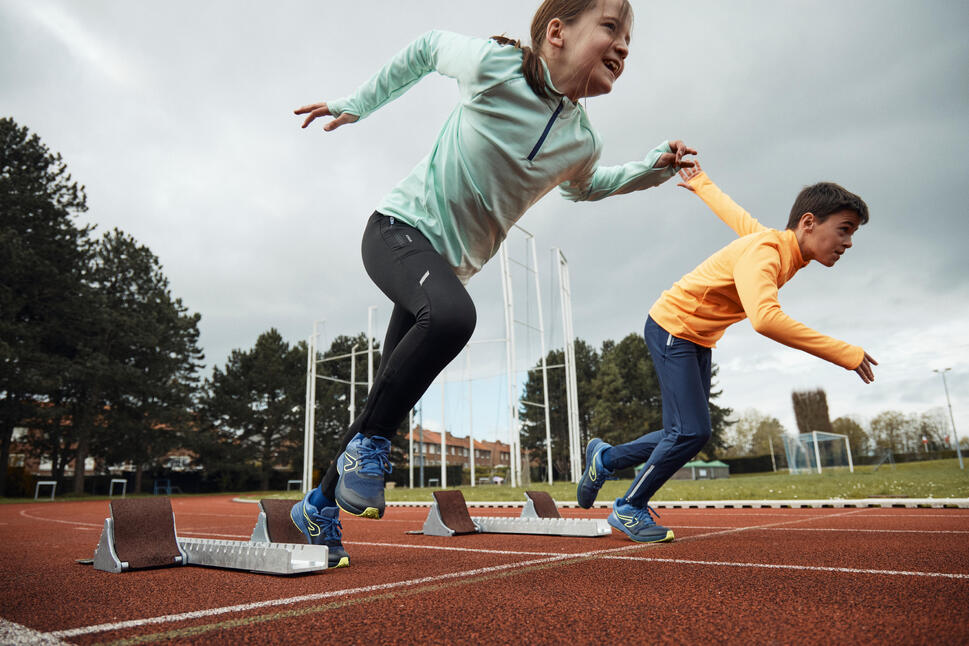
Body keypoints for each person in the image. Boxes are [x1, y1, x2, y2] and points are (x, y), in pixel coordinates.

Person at [289, 0, 696, 568]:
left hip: (446, 268)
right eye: (611, 28)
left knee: (389, 395)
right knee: (453, 320)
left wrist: (650, 169)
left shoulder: (581, 142)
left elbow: (585, 186)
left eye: (629, 37)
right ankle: (366, 453)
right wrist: (358, 104)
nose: (624, 46)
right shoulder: (495, 67)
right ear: (557, 32)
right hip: (396, 232)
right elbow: (430, 45)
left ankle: (316, 505)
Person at [576, 160, 877, 543]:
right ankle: (630, 506)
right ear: (808, 222)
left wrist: (702, 183)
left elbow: (736, 216)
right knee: (690, 431)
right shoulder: (767, 254)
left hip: (696, 336)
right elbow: (765, 319)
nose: (848, 242)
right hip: (675, 326)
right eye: (844, 230)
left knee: (684, 432)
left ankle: (605, 460)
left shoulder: (776, 245)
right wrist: (843, 353)